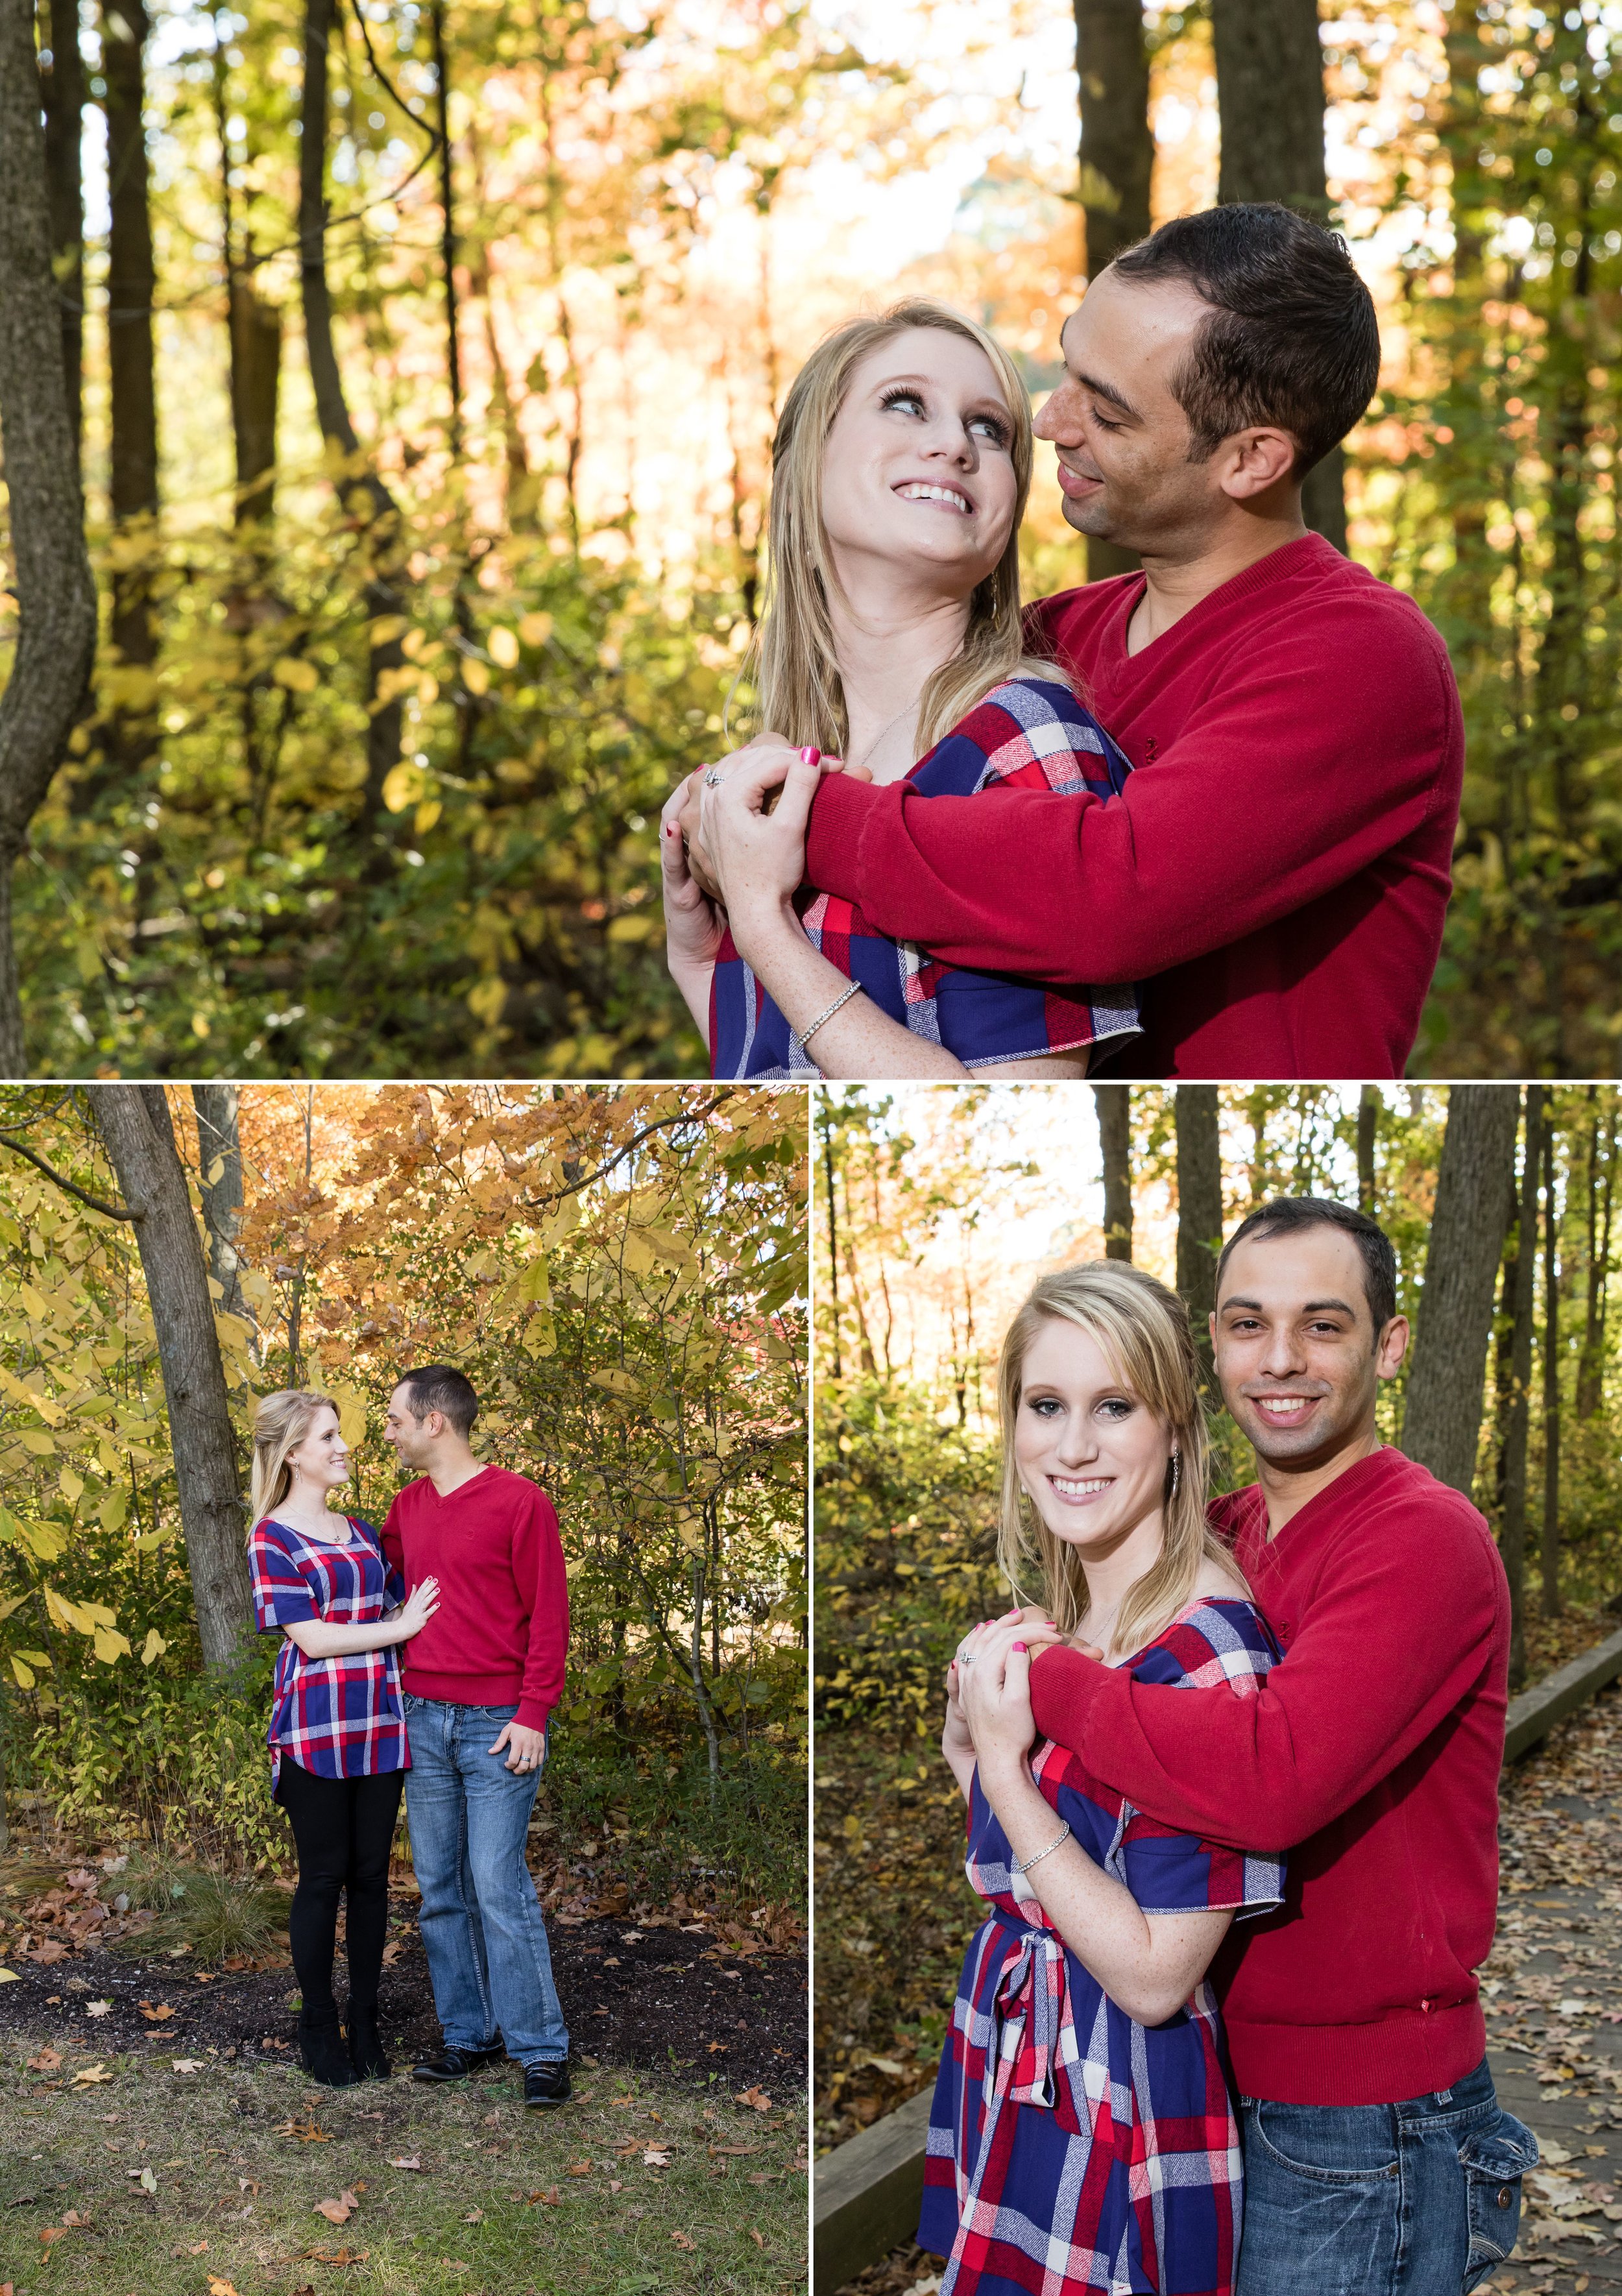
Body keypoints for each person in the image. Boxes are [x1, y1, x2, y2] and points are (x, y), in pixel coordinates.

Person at [685, 204, 1464, 1080]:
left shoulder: (1361, 659)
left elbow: (1110, 899)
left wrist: (793, 814)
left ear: (1250, 460)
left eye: (1110, 412)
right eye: (1067, 369)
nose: (1051, 422)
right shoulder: (1045, 638)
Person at [969, 1198, 1536, 2294]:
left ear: (1391, 1342)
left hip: (1361, 2123)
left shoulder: (1422, 1536)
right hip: (1215, 2080)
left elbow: (1269, 1777)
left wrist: (1041, 1678)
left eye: (1324, 1324)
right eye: (1246, 1322)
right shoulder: (1228, 1534)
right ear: (1214, 1350)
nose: (1281, 1357)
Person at [659, 296, 1142, 1079]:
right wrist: (696, 953)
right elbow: (782, 1071)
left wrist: (760, 923)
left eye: (990, 429)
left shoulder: (1023, 739)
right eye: (905, 404)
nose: (953, 442)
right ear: (805, 461)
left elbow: (1005, 1127)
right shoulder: (791, 775)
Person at [926, 1261, 1285, 2296]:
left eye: (1113, 1405)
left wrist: (1003, 1765)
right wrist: (969, 1741)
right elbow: (1015, 1873)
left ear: (1175, 1426)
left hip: (1119, 2090)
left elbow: (1154, 1972)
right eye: (1047, 1404)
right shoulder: (1062, 1623)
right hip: (1016, 2056)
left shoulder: (1208, 1654)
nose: (1072, 1445)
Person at [379, 1364, 572, 2109]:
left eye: (396, 1417)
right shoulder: (406, 1507)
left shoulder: (520, 1502)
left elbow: (548, 1616)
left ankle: (540, 2047)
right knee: (439, 1888)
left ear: (436, 1421)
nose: (388, 1430)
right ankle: (468, 2032)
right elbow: (376, 1578)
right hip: (421, 1716)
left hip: (498, 1726)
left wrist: (533, 1711)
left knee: (498, 1883)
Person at [247, 1389, 441, 2086]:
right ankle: (316, 2024)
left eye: (342, 1435)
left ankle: (365, 2020)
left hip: (379, 1726)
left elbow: (405, 1594)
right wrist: (399, 1629)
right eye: (328, 1437)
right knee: (323, 1878)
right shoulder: (272, 1536)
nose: (343, 1446)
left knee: (370, 1881)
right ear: (294, 1451)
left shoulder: (359, 1529)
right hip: (314, 1728)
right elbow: (315, 1637)